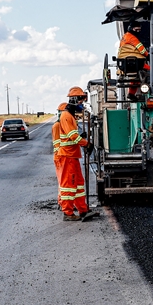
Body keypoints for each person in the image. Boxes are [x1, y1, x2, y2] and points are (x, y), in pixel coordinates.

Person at [55, 87, 94, 221]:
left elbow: (73, 135)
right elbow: (72, 137)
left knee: (78, 184)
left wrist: (82, 139)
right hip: (67, 156)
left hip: (73, 156)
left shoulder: (70, 116)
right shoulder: (66, 116)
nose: (82, 105)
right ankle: (68, 213)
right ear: (75, 100)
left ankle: (83, 209)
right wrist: (86, 143)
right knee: (69, 185)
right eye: (81, 101)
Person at [118, 22, 150, 100]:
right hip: (136, 63)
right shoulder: (133, 38)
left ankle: (131, 94)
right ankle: (150, 86)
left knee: (135, 78)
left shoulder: (124, 37)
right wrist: (148, 55)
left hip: (124, 64)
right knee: (150, 69)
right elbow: (141, 49)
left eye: (139, 30)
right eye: (137, 30)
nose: (138, 32)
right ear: (131, 29)